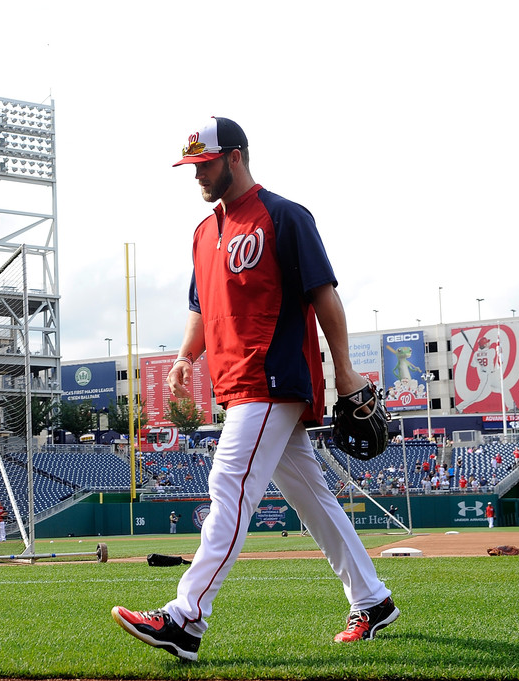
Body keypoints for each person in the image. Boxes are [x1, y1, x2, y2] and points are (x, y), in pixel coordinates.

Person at [111, 117, 397, 661]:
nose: (197, 174)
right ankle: (373, 599)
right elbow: (201, 308)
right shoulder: (203, 232)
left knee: (229, 482)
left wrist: (344, 370)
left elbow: (324, 297)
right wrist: (182, 358)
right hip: (235, 382)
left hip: (273, 375)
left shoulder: (285, 216)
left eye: (205, 163)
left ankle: (185, 617)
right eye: (192, 165)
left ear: (235, 157)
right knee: (312, 498)